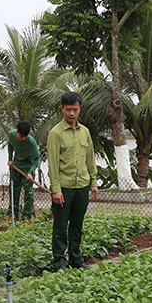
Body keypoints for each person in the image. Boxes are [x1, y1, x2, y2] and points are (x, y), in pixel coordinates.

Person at [47, 92, 99, 270]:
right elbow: (53, 164)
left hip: (82, 186)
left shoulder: (85, 132)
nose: (71, 113)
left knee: (77, 225)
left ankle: (76, 259)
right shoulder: (55, 133)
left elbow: (90, 158)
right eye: (68, 109)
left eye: (75, 110)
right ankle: (60, 261)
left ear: (79, 110)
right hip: (64, 187)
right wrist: (56, 190)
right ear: (62, 109)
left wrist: (93, 182)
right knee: (60, 226)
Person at [7, 121, 40, 221]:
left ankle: (26, 217)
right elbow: (10, 145)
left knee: (28, 193)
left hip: (27, 167)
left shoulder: (31, 142)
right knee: (13, 190)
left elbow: (37, 159)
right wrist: (10, 159)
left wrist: (31, 172)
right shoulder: (11, 135)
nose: (23, 139)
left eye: (25, 136)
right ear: (17, 132)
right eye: (21, 136)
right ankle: (13, 214)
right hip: (16, 165)